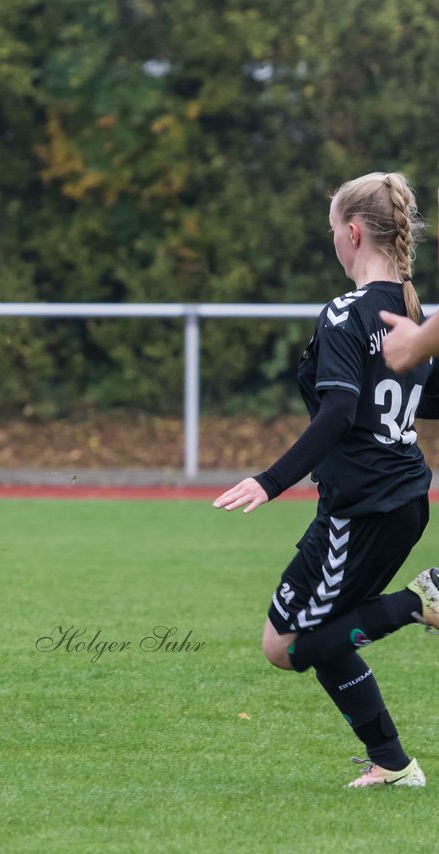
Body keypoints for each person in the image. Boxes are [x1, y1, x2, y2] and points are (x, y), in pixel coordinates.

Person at [213, 171, 439, 788]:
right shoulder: (412, 314)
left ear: (354, 231)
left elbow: (339, 411)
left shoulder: (347, 313)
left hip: (366, 506)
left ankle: (419, 603)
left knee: (300, 646)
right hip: (384, 499)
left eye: (333, 232)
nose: (333, 245)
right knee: (282, 642)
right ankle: (392, 763)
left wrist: (270, 480)